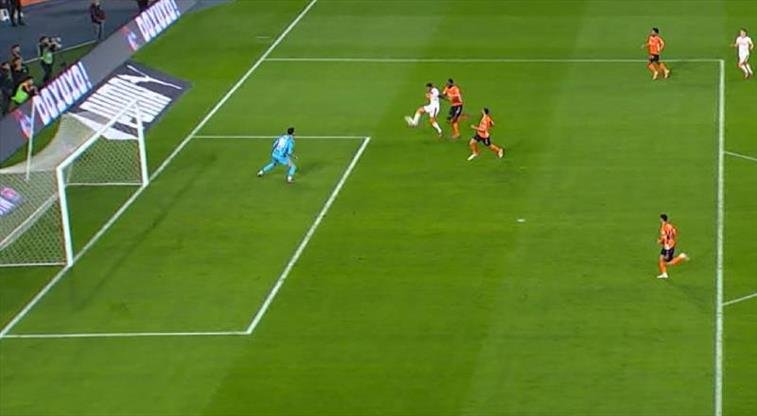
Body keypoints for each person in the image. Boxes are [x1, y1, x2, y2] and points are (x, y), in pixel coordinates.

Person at [656, 214, 689, 279]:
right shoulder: (670, 226)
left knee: (668, 263)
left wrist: (660, 241)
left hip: (668, 247)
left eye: (660, 219)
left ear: (662, 219)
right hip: (669, 245)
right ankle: (664, 274)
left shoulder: (663, 228)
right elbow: (675, 232)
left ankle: (681, 256)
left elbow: (664, 238)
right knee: (661, 259)